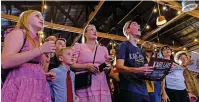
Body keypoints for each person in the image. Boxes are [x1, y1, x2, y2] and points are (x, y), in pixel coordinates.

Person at [1, 10, 56, 102]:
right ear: (26, 18)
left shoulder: (36, 40)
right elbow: (5, 62)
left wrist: (41, 75)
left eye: (42, 16)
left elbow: (28, 65)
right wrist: (40, 50)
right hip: (21, 86)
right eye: (37, 16)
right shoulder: (19, 33)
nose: (41, 18)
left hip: (37, 86)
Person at [116, 17, 153, 102]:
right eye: (134, 24)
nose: (139, 25)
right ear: (127, 30)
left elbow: (147, 72)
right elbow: (119, 67)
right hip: (130, 88)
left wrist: (163, 71)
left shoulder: (141, 51)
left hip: (144, 90)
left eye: (138, 24)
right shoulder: (123, 45)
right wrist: (137, 70)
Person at [71, 24, 112, 102]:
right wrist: (86, 66)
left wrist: (107, 68)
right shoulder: (78, 46)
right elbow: (71, 65)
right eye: (91, 29)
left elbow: (108, 68)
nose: (95, 31)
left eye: (95, 30)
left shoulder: (103, 49)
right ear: (85, 33)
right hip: (84, 84)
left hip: (101, 84)